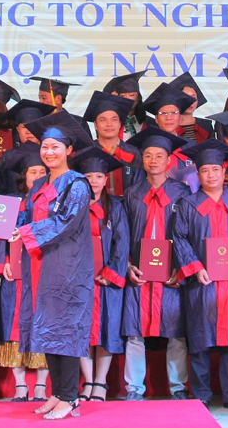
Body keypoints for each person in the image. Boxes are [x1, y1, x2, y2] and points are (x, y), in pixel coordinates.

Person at [12, 110, 95, 420]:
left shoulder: (77, 185)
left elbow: (65, 222)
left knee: (66, 330)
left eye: (55, 147)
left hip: (68, 268)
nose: (49, 152)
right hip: (40, 265)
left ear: (69, 150)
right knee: (48, 328)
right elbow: (25, 216)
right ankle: (58, 393)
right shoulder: (38, 185)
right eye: (45, 147)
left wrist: (25, 232)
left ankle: (70, 396)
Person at [173, 139, 228, 413]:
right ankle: (202, 395)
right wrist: (196, 267)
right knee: (200, 340)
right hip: (202, 282)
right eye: (205, 171)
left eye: (215, 170)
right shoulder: (188, 205)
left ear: (224, 171)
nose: (210, 175)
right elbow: (180, 238)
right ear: (198, 174)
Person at [119, 127, 189, 401]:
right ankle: (134, 389)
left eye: (159, 155)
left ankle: (178, 387)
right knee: (135, 333)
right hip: (139, 271)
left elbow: (188, 234)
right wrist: (127, 265)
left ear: (169, 160)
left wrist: (182, 268)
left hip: (172, 272)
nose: (153, 160)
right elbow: (123, 234)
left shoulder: (182, 193)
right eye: (148, 155)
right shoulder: (132, 193)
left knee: (176, 333)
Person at [0, 144, 50, 402]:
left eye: (42, 171)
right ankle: (19, 385)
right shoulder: (8, 203)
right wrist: (3, 260)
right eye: (32, 172)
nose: (37, 176)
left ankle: (41, 386)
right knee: (14, 322)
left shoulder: (53, 202)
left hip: (43, 272)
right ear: (24, 176)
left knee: (43, 323)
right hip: (14, 273)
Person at [74, 147, 130, 403]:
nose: (94, 181)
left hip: (107, 280)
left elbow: (122, 242)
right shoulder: (73, 206)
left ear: (106, 179)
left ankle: (101, 382)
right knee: (82, 330)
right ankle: (87, 381)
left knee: (107, 328)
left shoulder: (115, 206)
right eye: (88, 177)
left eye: (98, 176)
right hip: (80, 280)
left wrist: (111, 272)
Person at [83, 91, 140, 197]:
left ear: (119, 124)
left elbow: (139, 188)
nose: (109, 124)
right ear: (95, 125)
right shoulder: (86, 153)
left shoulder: (134, 153)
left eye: (114, 119)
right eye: (103, 120)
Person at [102, 71, 147, 139]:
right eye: (123, 96)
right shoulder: (110, 123)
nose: (127, 98)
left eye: (132, 95)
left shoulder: (148, 122)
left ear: (138, 98)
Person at [170, 73, 214, 142]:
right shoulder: (168, 125)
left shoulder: (206, 125)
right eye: (185, 97)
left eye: (193, 97)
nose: (190, 101)